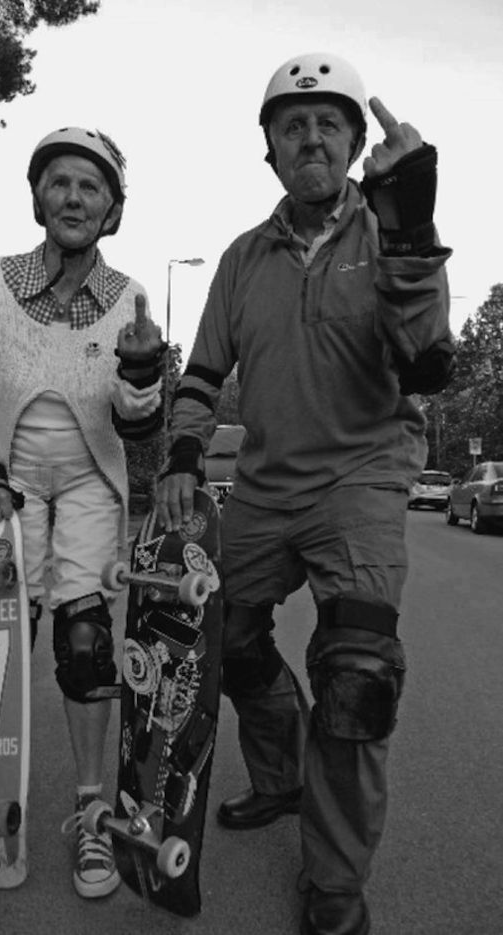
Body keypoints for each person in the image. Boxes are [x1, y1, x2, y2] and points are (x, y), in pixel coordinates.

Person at [157, 53, 455, 935]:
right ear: (271, 152)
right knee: (227, 641)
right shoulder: (243, 259)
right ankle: (282, 775)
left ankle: (333, 881)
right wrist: (178, 456)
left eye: (329, 122)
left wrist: (409, 230)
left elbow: (429, 364)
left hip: (362, 477)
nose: (310, 136)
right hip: (264, 486)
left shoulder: (391, 230)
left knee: (357, 680)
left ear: (357, 143)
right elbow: (201, 376)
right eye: (292, 125)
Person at [0, 127, 165, 900]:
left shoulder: (128, 297)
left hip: (93, 486)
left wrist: (139, 367)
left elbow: (137, 428)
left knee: (87, 640)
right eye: (60, 183)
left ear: (111, 210)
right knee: (0, 627)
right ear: (38, 197)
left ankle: (93, 812)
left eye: (90, 188)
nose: (73, 198)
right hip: (11, 483)